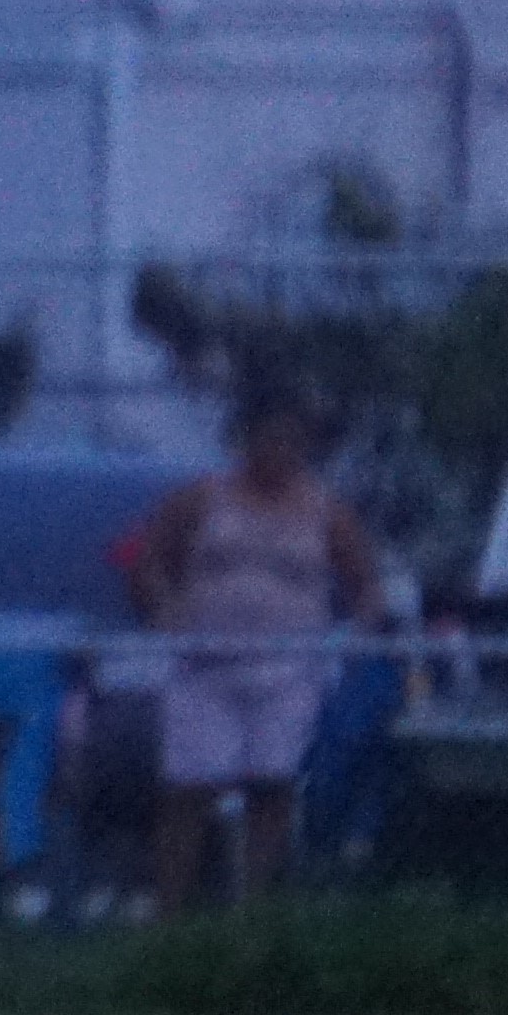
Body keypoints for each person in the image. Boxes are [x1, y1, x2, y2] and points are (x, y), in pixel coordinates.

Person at [134, 388, 379, 915]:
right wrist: (164, 609)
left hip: (289, 672)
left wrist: (349, 639)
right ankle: (167, 918)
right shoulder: (200, 498)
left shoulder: (327, 512)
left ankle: (250, 917)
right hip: (206, 667)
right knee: (188, 790)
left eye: (292, 438)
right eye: (269, 435)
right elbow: (149, 560)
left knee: (272, 787)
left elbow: (367, 588)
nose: (279, 448)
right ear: (248, 438)